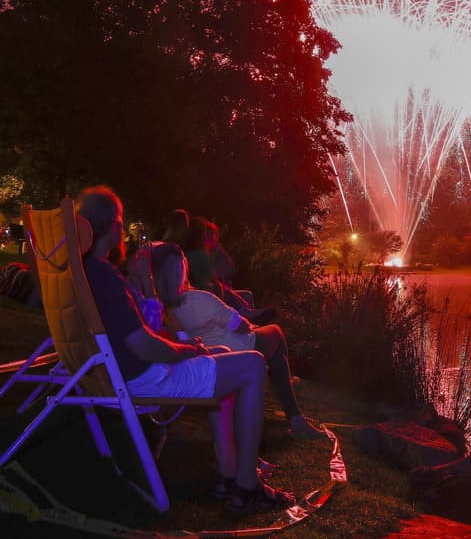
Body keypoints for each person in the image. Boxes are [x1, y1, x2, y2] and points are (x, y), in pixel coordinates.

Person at [74, 186, 294, 513]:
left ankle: (227, 472)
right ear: (115, 225)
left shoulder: (85, 272)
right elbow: (144, 346)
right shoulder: (105, 276)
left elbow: (139, 334)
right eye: (121, 221)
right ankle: (248, 487)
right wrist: (184, 351)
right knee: (252, 364)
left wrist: (187, 345)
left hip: (110, 372)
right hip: (140, 378)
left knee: (222, 352)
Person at [149, 241, 321, 440]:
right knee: (276, 333)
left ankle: (289, 399)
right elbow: (239, 325)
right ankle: (294, 413)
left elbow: (182, 337)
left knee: (275, 352)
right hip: (233, 349)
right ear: (182, 268)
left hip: (206, 353)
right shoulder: (199, 299)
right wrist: (248, 323)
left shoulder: (160, 305)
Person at [184, 216, 274, 324]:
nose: (213, 238)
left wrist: (218, 249)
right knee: (229, 292)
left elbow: (230, 269)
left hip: (215, 293)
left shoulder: (209, 252)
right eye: (209, 234)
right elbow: (211, 281)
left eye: (213, 235)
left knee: (246, 295)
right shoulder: (197, 255)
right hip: (206, 296)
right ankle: (246, 318)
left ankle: (250, 319)